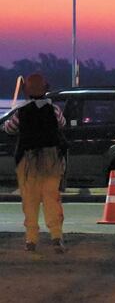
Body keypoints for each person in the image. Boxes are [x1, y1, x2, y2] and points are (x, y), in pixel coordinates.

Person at [2, 73, 67, 253]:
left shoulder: (21, 112)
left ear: (27, 91)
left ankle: (31, 240)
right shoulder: (54, 110)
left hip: (28, 160)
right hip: (51, 159)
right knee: (51, 199)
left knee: (30, 201)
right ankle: (56, 237)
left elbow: (9, 128)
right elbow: (62, 124)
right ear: (45, 90)